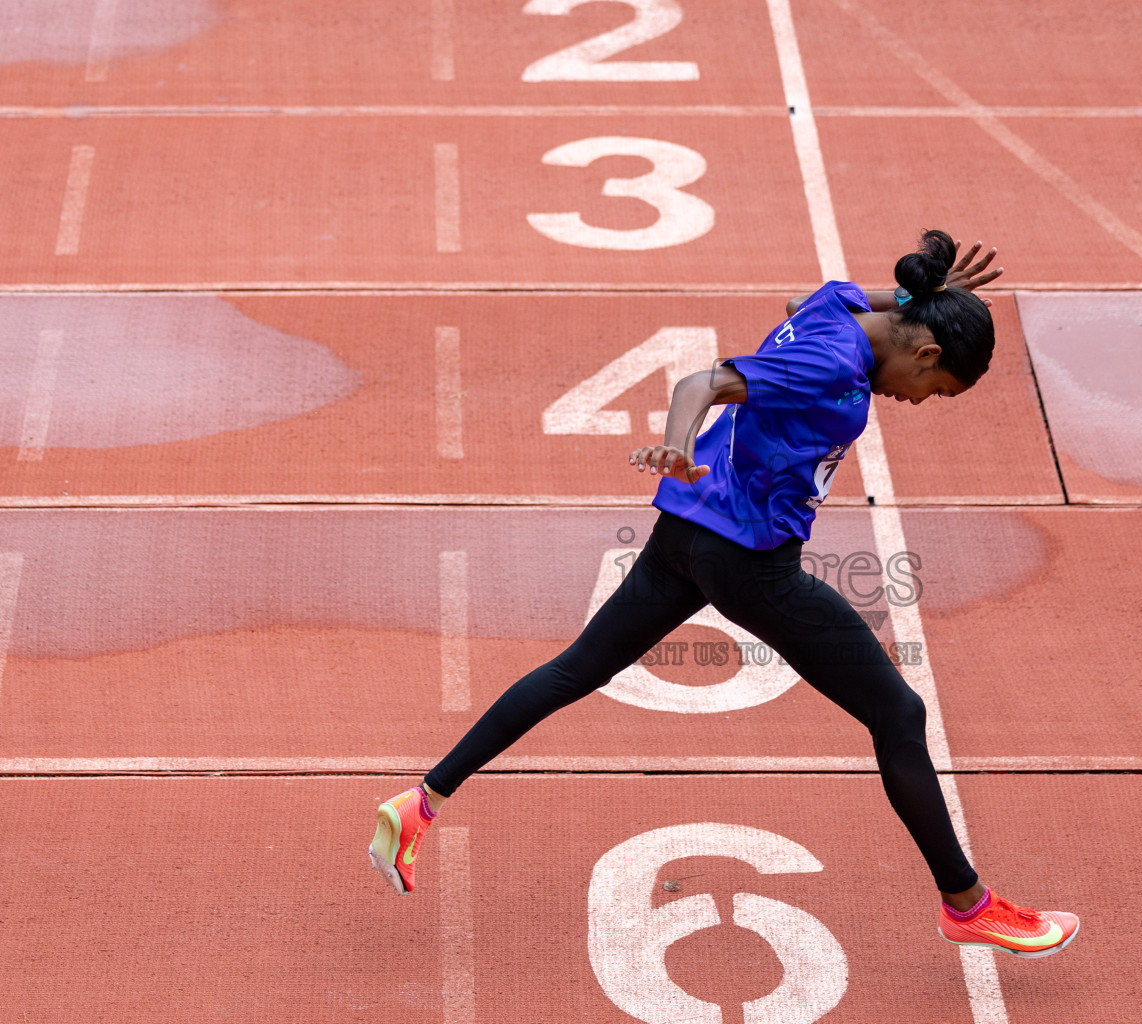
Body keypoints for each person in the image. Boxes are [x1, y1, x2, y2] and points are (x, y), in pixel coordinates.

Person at [369, 229, 1080, 959]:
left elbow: (853, 307)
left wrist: (927, 297)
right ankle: (967, 905)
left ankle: (421, 803)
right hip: (748, 561)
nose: (918, 400)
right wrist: (678, 449)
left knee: (577, 669)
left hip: (685, 533)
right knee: (897, 712)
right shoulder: (832, 362)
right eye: (936, 390)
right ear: (927, 353)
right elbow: (700, 384)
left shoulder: (836, 306)